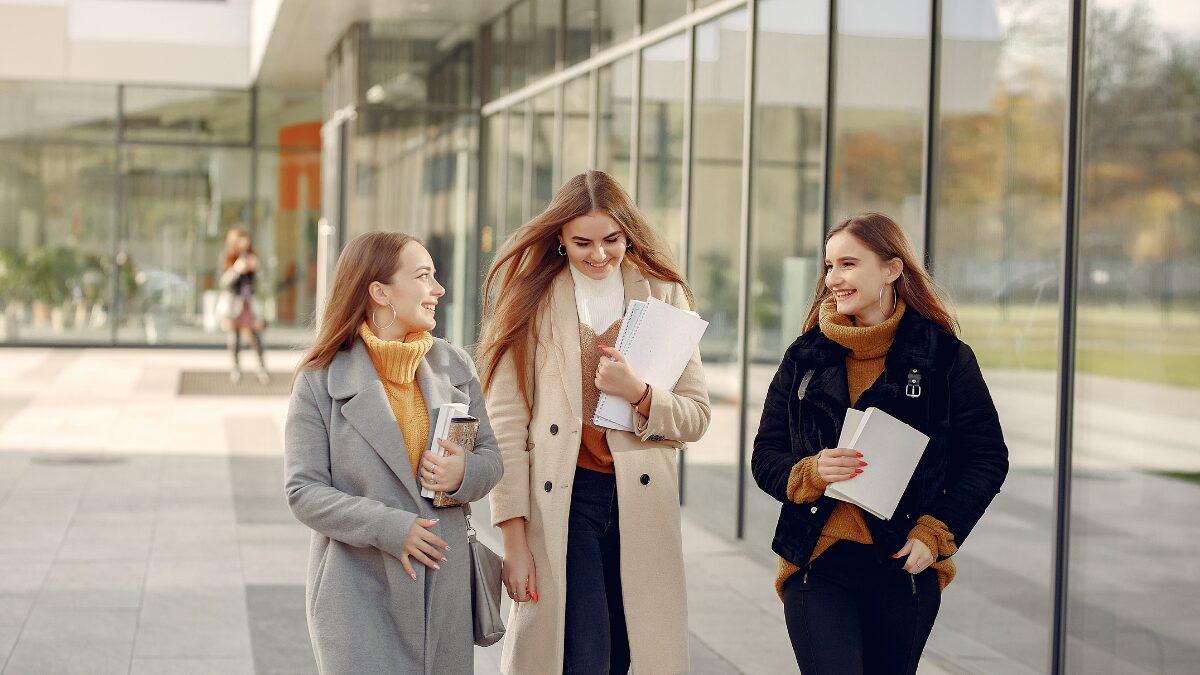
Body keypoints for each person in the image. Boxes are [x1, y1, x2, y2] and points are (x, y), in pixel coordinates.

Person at [751, 212, 1009, 675]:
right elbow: (766, 456)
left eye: (848, 264)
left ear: (892, 269)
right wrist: (810, 472)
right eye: (829, 267)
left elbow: (987, 458)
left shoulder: (944, 358)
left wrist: (936, 533)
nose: (834, 278)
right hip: (818, 562)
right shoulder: (805, 357)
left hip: (904, 568)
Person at [478, 170, 711, 675]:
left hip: (640, 501)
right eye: (582, 242)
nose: (599, 255)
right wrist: (514, 543)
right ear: (559, 237)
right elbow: (505, 428)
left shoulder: (664, 295)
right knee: (584, 655)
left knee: (631, 653)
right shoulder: (530, 299)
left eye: (612, 240)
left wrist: (642, 395)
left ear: (629, 233)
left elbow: (695, 417)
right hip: (563, 500)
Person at [283, 231, 504, 674]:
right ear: (380, 291)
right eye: (424, 277)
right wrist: (389, 526)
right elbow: (304, 492)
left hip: (445, 592)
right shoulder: (319, 379)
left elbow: (492, 459)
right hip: (359, 590)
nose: (437, 290)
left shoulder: (456, 366)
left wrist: (462, 473)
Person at [218, 227, 268, 384]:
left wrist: (256, 268)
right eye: (241, 239)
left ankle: (261, 368)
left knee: (256, 337)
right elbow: (222, 282)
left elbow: (263, 283)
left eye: (246, 238)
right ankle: (236, 368)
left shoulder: (253, 257)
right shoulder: (227, 257)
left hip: (250, 303)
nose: (245, 242)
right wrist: (236, 270)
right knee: (234, 338)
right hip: (234, 303)